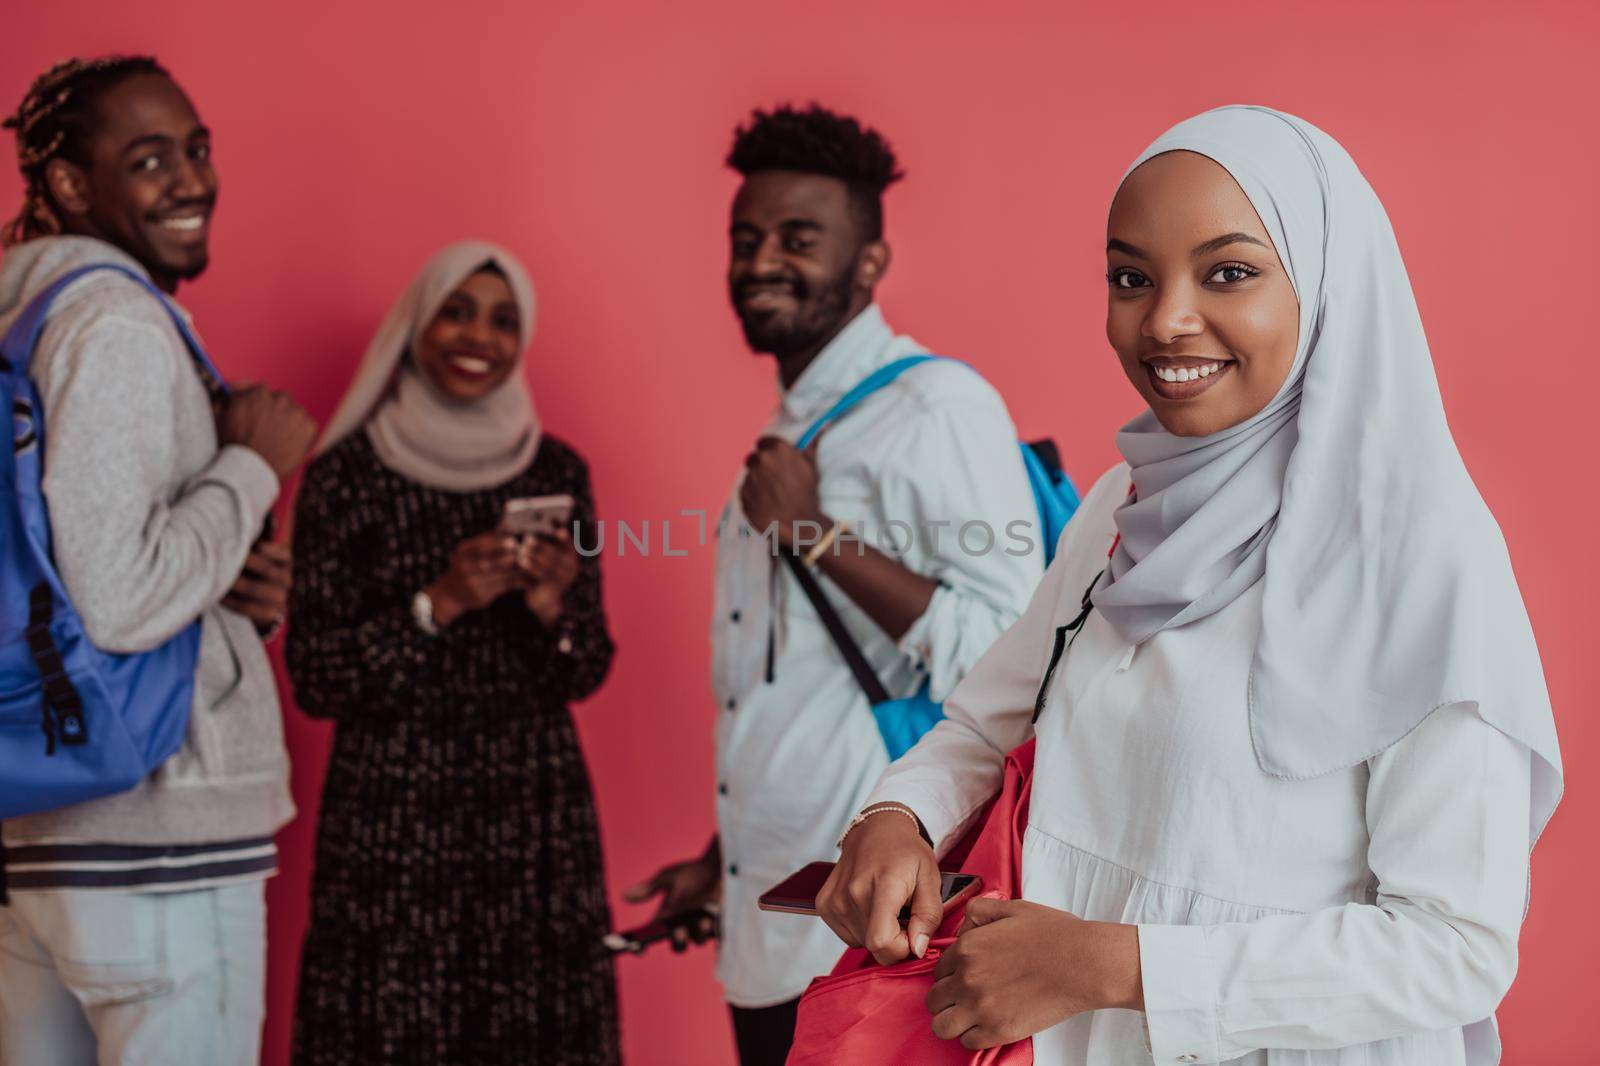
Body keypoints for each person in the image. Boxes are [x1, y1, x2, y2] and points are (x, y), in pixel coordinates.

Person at [819, 105, 1563, 1065]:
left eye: (1230, 272)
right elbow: (983, 726)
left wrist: (1112, 968)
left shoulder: (1423, 558)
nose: (1165, 319)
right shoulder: (1119, 507)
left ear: (1328, 284)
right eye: (1132, 277)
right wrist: (896, 815)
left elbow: (1452, 950)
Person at [626, 104, 1047, 1066]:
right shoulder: (797, 426)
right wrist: (726, 862)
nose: (763, 258)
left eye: (799, 238)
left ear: (869, 263)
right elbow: (787, 688)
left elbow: (1009, 652)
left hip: (870, 926)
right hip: (778, 901)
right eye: (747, 237)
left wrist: (813, 534)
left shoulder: (937, 408)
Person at [0, 55, 317, 1065]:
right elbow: (121, 599)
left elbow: (59, 558)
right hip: (159, 842)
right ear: (65, 186)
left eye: (196, 148)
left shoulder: (23, 319)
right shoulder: (115, 321)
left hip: (42, 833)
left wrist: (232, 599)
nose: (190, 180)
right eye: (147, 159)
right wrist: (249, 469)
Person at [286, 240, 619, 1065]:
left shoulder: (558, 470)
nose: (480, 336)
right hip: (393, 818)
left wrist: (551, 610)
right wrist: (439, 604)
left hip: (532, 814)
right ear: (415, 324)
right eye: (457, 311)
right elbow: (316, 676)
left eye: (505, 321)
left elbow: (586, 667)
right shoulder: (345, 476)